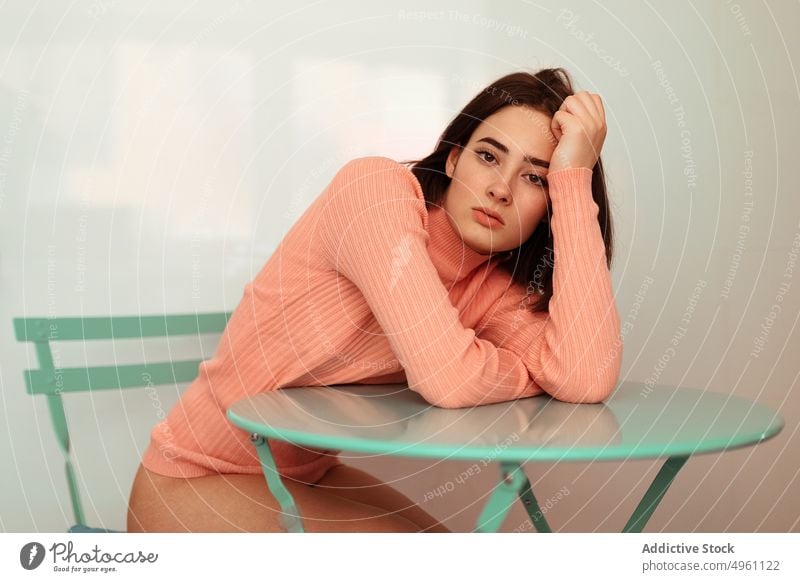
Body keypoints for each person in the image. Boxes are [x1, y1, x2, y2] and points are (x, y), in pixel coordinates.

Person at [126, 67, 621, 533]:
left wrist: (573, 182)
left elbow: (584, 374)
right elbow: (448, 379)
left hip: (307, 476)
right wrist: (518, 371)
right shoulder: (375, 194)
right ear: (452, 159)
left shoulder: (494, 290)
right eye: (488, 156)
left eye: (535, 177)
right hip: (193, 480)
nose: (499, 189)